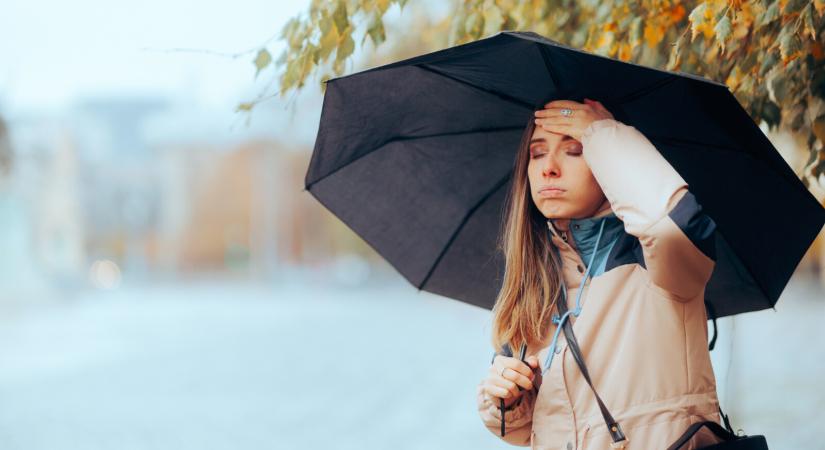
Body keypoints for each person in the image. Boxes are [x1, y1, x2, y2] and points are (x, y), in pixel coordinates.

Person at [476, 98, 725, 449]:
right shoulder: (533, 284)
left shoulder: (659, 266)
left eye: (575, 150)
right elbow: (522, 430)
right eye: (537, 153)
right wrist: (506, 398)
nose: (549, 168)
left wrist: (603, 134)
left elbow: (673, 227)